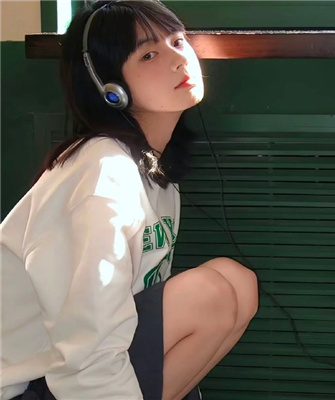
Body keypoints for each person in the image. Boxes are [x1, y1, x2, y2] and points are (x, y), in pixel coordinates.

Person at [0, 1, 259, 399]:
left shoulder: (152, 171)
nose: (178, 59)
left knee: (237, 281)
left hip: (71, 371)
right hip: (32, 384)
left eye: (178, 41)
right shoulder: (102, 174)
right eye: (148, 55)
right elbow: (86, 342)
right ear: (110, 88)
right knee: (209, 293)